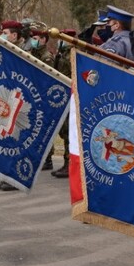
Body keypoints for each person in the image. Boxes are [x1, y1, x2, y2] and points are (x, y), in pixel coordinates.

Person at [0, 20, 27, 191]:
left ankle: (15, 177)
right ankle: (7, 174)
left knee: (16, 140)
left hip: (20, 101)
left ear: (15, 35)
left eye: (6, 33)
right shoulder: (7, 50)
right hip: (7, 98)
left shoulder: (24, 52)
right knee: (6, 138)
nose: (3, 36)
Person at [51, 29, 76, 179]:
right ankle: (67, 163)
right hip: (63, 96)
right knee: (64, 131)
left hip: (69, 96)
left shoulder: (70, 55)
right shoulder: (63, 55)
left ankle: (69, 163)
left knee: (68, 132)